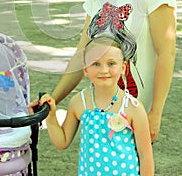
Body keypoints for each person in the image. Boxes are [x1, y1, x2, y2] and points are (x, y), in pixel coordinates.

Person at [49, 0, 177, 143]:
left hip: (136, 112)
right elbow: (83, 55)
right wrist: (53, 100)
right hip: (101, 110)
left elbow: (166, 53)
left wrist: (156, 112)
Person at [37, 36, 154, 176]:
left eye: (111, 63)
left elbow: (145, 155)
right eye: (96, 64)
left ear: (123, 68)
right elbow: (62, 142)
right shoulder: (79, 102)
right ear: (85, 69)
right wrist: (51, 117)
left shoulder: (133, 107)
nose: (104, 70)